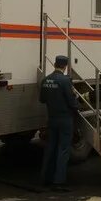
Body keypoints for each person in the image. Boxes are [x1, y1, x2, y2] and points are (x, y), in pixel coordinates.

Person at [40, 55, 78, 192]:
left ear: (55, 64)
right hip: (65, 119)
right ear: (65, 66)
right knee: (63, 149)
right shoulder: (65, 81)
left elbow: (42, 99)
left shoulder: (45, 80)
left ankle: (45, 178)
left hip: (52, 118)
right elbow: (71, 101)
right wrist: (77, 106)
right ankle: (59, 181)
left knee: (50, 147)